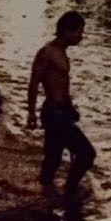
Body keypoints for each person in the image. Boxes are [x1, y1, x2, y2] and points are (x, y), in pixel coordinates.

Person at [26, 10, 95, 197]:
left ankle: (45, 191)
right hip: (54, 113)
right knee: (86, 154)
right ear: (66, 31)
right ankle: (69, 190)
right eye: (78, 32)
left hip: (61, 111)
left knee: (53, 158)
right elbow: (34, 82)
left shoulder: (61, 53)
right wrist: (30, 113)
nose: (81, 37)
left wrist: (70, 107)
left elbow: (62, 86)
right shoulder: (47, 52)